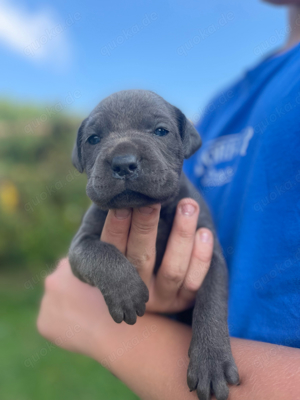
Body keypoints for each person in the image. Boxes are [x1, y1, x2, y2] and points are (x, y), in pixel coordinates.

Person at [37, 1, 300, 399]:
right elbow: (82, 250)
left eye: (158, 131)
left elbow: (212, 263)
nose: (123, 157)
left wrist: (102, 327)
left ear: (183, 143)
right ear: (82, 157)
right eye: (95, 139)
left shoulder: (189, 192)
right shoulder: (223, 106)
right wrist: (118, 277)